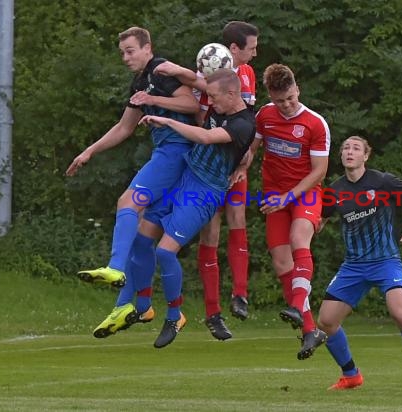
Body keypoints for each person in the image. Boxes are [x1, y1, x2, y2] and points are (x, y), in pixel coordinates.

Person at [65, 27, 199, 337]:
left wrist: (152, 98)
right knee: (141, 238)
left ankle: (115, 269)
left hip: (176, 154)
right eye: (122, 52)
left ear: (147, 47)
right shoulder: (140, 82)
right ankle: (133, 305)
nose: (125, 57)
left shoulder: (161, 71)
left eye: (130, 50)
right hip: (169, 156)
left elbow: (192, 105)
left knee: (127, 201)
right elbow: (124, 128)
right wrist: (89, 151)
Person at [154, 21, 259, 340]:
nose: (256, 53)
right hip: (204, 158)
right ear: (233, 51)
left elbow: (246, 125)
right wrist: (173, 69)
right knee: (209, 232)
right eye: (252, 47)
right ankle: (212, 313)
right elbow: (195, 88)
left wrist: (243, 162)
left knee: (237, 215)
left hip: (227, 157)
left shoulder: (245, 79)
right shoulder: (210, 73)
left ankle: (239, 294)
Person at [316, 136, 402, 393]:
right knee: (325, 322)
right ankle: (351, 375)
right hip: (353, 266)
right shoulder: (334, 191)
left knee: (399, 313)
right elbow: (321, 220)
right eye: (346, 148)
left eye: (356, 148)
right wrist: (308, 226)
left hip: (386, 261)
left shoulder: (382, 181)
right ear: (341, 156)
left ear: (365, 156)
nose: (350, 152)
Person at [249, 63, 330, 360]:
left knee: (299, 240)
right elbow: (252, 149)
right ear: (270, 95)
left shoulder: (315, 123)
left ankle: (297, 305)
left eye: (290, 99)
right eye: (279, 100)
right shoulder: (265, 115)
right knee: (282, 262)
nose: (285, 106)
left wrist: (288, 197)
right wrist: (241, 168)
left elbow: (319, 172)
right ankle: (310, 330)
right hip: (274, 196)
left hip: (305, 193)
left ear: (297, 89)